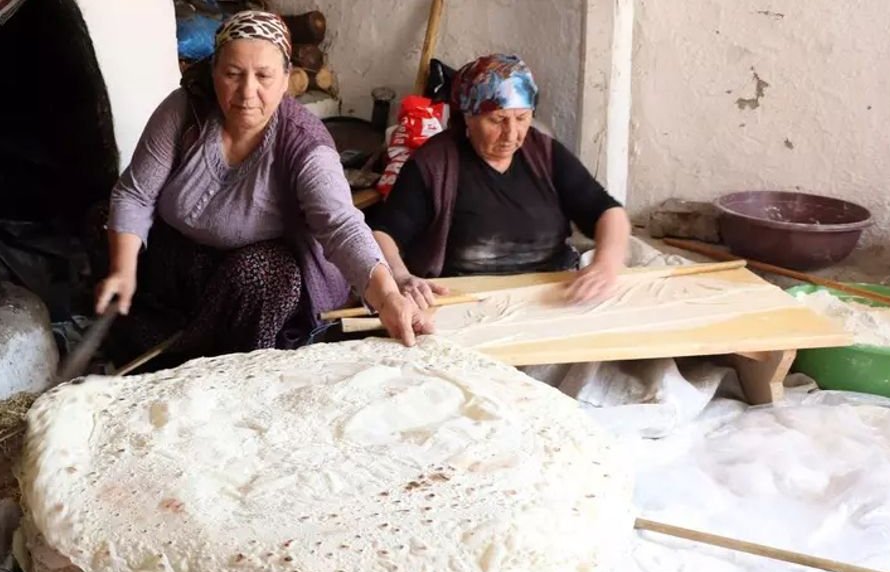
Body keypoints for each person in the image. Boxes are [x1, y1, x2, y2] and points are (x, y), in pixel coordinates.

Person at [94, 11, 428, 366]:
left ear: (286, 79)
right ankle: (160, 351)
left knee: (264, 273)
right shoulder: (185, 110)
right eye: (233, 74)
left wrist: (388, 296)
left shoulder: (304, 143)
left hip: (251, 281)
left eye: (264, 76)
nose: (247, 92)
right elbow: (135, 193)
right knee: (103, 219)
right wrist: (123, 269)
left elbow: (341, 226)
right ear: (213, 72)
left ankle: (231, 370)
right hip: (186, 262)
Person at [370, 54, 632, 310]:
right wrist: (401, 278)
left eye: (521, 118)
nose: (512, 134)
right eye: (497, 120)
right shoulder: (435, 164)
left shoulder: (544, 153)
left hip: (551, 296)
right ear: (468, 118)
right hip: (464, 303)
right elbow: (383, 234)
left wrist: (606, 264)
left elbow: (607, 211)